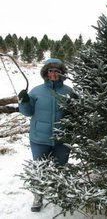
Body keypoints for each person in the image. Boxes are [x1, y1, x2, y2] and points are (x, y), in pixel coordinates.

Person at [18, 58, 74, 212]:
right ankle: (38, 195)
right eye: (50, 71)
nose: (53, 74)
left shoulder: (69, 92)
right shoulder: (36, 91)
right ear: (46, 73)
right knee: (39, 168)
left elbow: (76, 116)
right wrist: (23, 102)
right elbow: (27, 112)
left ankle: (60, 192)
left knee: (60, 167)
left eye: (57, 71)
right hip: (39, 138)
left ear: (62, 73)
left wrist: (77, 104)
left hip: (62, 139)